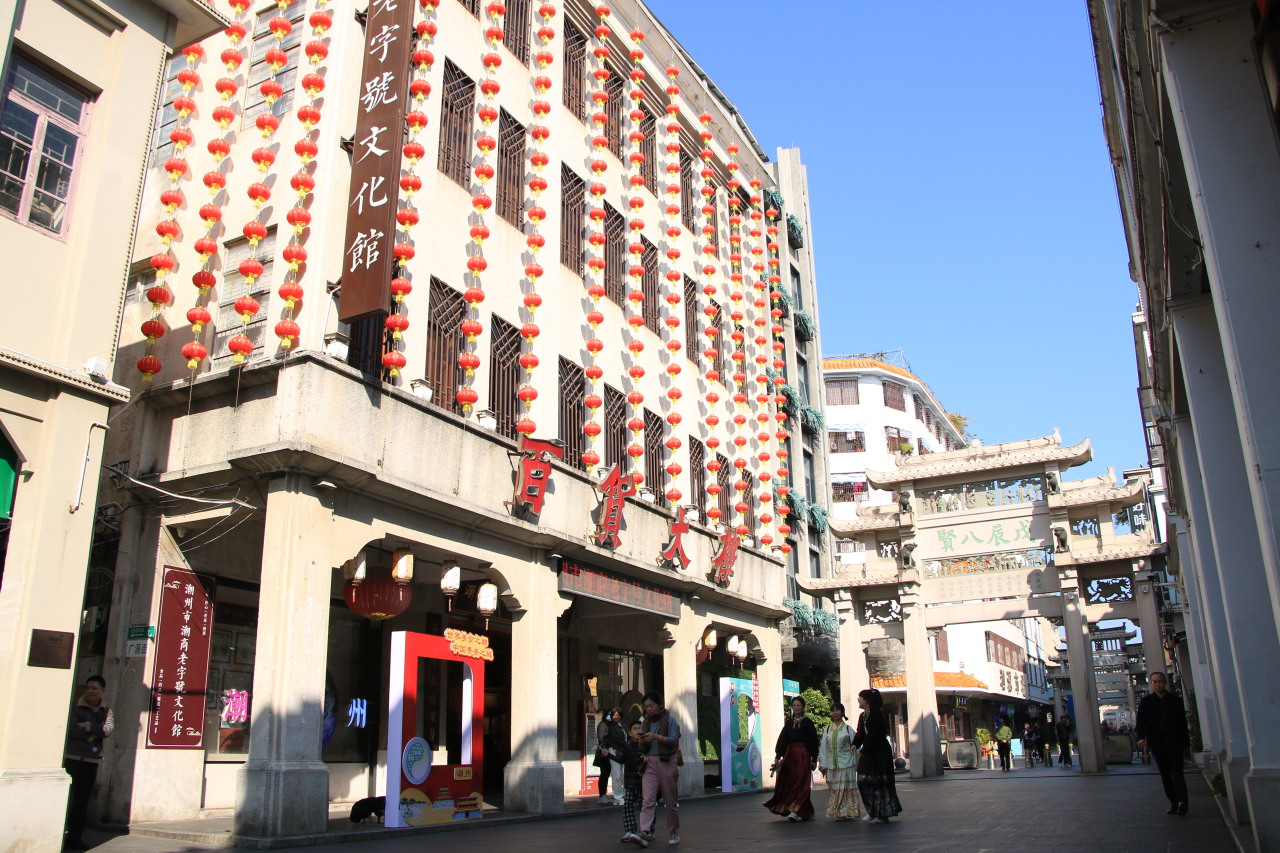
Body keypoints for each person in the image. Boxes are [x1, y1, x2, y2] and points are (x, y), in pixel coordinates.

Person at [64, 675, 115, 850]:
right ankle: (61, 834)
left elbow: (108, 729)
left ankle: (74, 838)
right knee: (67, 800)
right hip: (71, 758)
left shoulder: (106, 711)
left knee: (81, 801)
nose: (90, 691)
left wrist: (89, 726)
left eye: (94, 688)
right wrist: (92, 737)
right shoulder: (75, 706)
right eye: (88, 688)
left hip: (91, 761)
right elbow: (70, 728)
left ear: (102, 691)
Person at [1135, 672, 1190, 816]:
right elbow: (1141, 722)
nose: (1158, 684)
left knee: (1177, 773)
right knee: (1165, 775)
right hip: (1157, 743)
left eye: (1160, 681)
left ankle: (1182, 802)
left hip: (1175, 742)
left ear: (1165, 682)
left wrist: (1185, 743)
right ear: (1151, 684)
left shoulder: (1175, 701)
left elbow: (1182, 723)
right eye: (1154, 682)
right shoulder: (1146, 702)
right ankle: (1173, 802)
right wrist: (1141, 738)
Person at [763, 696, 819, 821]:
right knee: (790, 782)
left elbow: (813, 741)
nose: (796, 708)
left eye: (798, 705)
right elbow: (783, 740)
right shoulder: (789, 723)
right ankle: (797, 809)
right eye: (794, 706)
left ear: (803, 707)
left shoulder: (808, 723)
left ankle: (795, 810)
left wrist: (814, 759)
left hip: (803, 756)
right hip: (790, 756)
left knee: (801, 782)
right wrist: (778, 756)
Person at [638, 691, 682, 846]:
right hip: (649, 762)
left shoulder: (670, 720)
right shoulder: (645, 722)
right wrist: (642, 740)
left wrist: (657, 737)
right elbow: (641, 745)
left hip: (666, 761)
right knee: (648, 799)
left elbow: (674, 739)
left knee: (670, 801)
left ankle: (674, 831)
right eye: (646, 707)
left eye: (652, 706)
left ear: (659, 705)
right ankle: (644, 830)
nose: (649, 709)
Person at [854, 688, 902, 823]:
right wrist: (855, 744)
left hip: (879, 753)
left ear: (866, 701)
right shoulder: (863, 716)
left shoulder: (877, 714)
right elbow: (860, 733)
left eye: (860, 698)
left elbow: (876, 735)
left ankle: (883, 813)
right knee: (864, 780)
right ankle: (872, 810)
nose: (858, 700)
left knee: (880, 782)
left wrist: (864, 749)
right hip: (869, 752)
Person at [817, 702, 861, 821]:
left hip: (846, 764)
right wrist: (823, 763)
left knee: (846, 788)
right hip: (832, 765)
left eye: (837, 710)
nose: (835, 713)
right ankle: (837, 811)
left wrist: (856, 760)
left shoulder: (848, 729)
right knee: (834, 789)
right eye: (833, 711)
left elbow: (856, 745)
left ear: (842, 713)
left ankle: (847, 811)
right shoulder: (828, 729)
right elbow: (823, 748)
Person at [613, 720, 649, 847]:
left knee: (645, 806)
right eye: (635, 728)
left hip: (643, 781)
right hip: (630, 781)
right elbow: (621, 760)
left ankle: (647, 830)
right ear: (630, 733)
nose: (638, 730)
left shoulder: (646, 745)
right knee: (628, 804)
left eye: (639, 728)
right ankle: (630, 830)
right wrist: (608, 755)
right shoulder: (627, 746)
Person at [596, 707, 627, 804]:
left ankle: (623, 795)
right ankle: (616, 797)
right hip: (611, 751)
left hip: (623, 752)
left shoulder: (623, 726)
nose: (615, 717)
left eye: (617, 715)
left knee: (623, 774)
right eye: (613, 715)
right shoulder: (607, 725)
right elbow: (602, 738)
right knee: (613, 774)